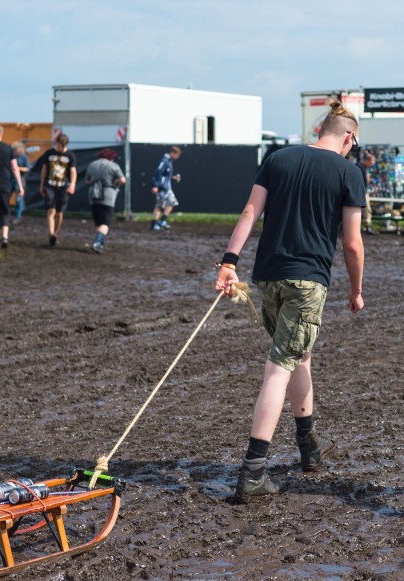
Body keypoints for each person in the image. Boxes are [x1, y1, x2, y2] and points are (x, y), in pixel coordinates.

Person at [214, 98, 365, 503]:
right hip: (306, 281)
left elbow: (250, 211)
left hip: (268, 276)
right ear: (348, 137)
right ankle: (253, 471)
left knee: (299, 356)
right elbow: (352, 243)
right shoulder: (349, 171)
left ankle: (308, 446)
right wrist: (355, 289)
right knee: (279, 367)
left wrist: (229, 262)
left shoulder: (278, 158)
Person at [39, 133, 77, 247]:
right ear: (57, 143)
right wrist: (41, 185)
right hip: (50, 185)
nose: (62, 149)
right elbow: (44, 169)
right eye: (60, 146)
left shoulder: (70, 155)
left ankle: (56, 233)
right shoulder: (49, 153)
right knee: (51, 210)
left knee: (60, 213)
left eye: (64, 146)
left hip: (63, 186)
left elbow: (73, 171)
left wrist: (73, 184)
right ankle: (51, 234)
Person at [85, 148, 126, 253]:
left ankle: (101, 244)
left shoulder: (92, 165)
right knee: (105, 223)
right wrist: (115, 184)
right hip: (108, 194)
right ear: (111, 157)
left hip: (93, 193)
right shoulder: (113, 165)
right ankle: (97, 243)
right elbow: (122, 179)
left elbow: (87, 180)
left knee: (98, 222)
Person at [150, 146, 182, 231]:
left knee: (165, 204)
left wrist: (172, 177)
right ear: (173, 153)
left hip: (165, 187)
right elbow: (158, 172)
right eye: (177, 155)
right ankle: (158, 222)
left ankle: (158, 223)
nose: (177, 157)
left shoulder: (169, 161)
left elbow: (165, 175)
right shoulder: (165, 161)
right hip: (162, 187)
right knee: (166, 204)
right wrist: (155, 185)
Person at [11, 142, 30, 224]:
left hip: (19, 181)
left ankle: (17, 217)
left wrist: (17, 168)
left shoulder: (24, 157)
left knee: (19, 200)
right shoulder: (11, 156)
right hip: (10, 179)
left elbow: (28, 168)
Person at [359, 152, 376, 235]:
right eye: (372, 162)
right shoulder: (360, 167)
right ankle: (367, 226)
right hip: (361, 192)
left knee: (366, 210)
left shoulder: (365, 168)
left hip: (364, 191)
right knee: (366, 210)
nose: (373, 164)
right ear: (367, 161)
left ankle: (367, 226)